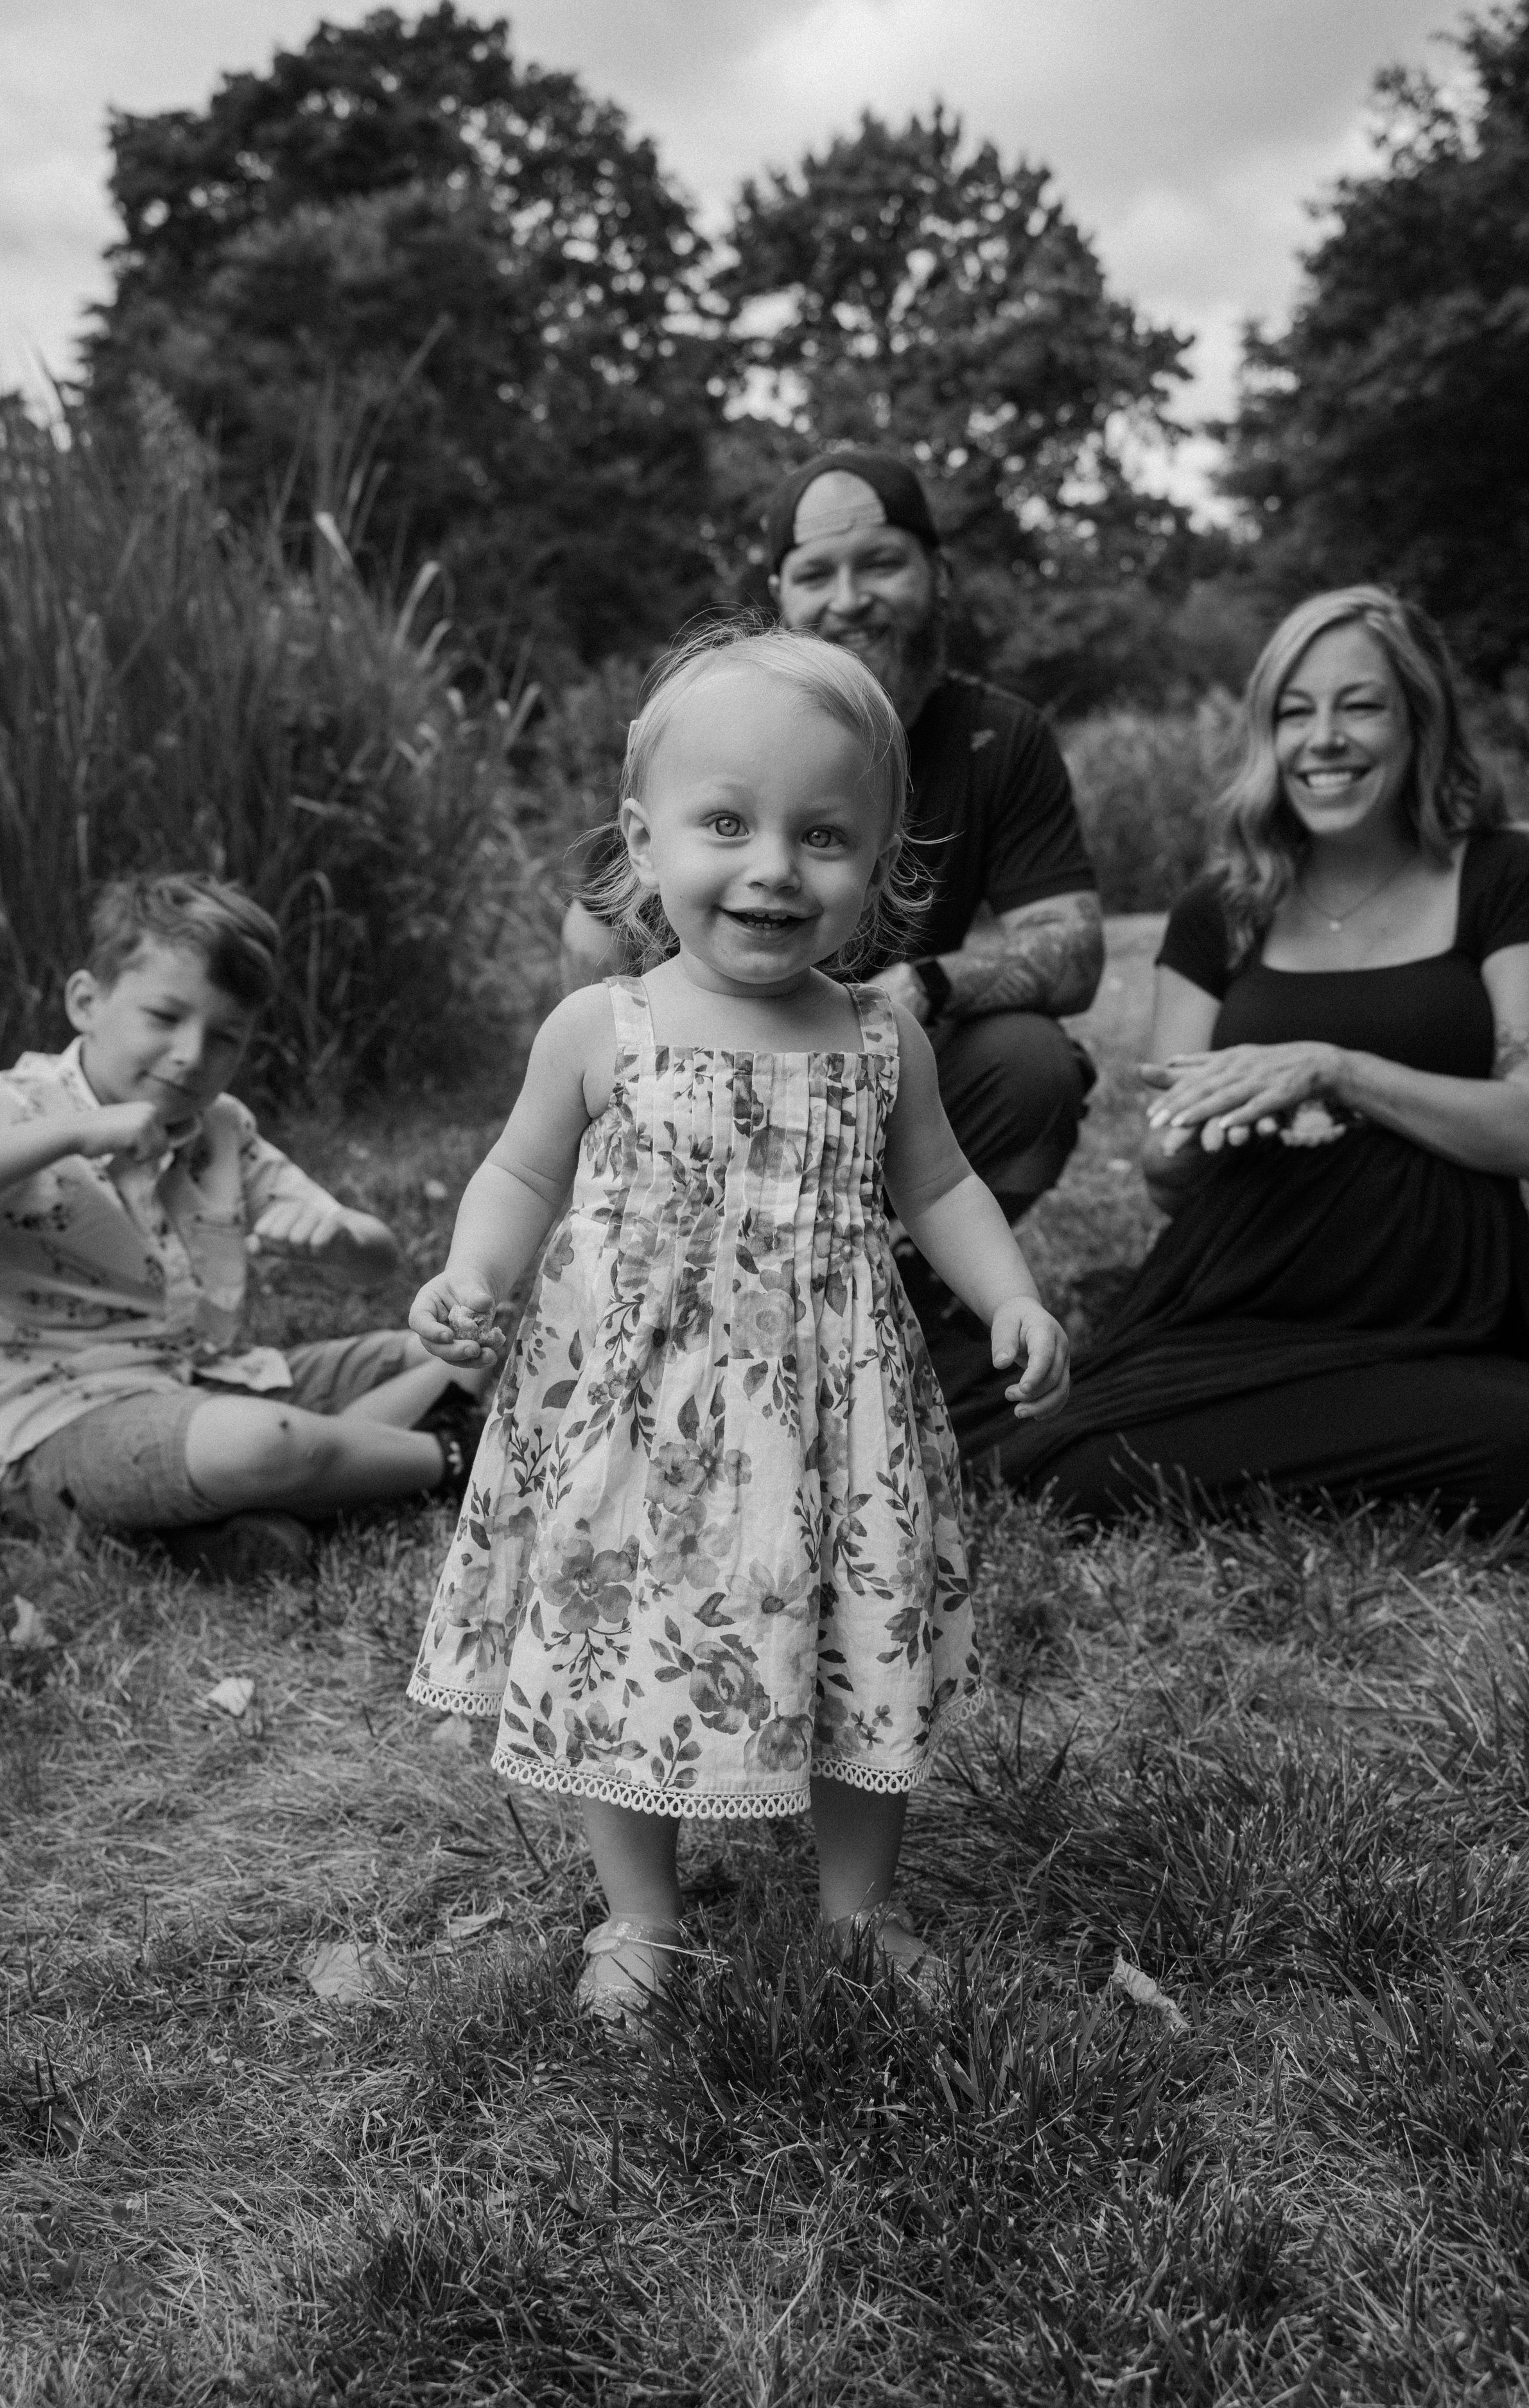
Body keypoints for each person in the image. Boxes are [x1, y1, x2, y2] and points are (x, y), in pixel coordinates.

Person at [406, 627, 1069, 2020]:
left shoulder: (875, 1040)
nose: (772, 865)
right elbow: (519, 1171)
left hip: (836, 1420)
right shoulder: (601, 1026)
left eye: (820, 834)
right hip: (636, 1422)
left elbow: (938, 1185)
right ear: (642, 844)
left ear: (880, 866)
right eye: (726, 823)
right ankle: (639, 1915)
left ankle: (855, 1908)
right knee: (623, 1644)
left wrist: (1007, 1294)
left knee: (853, 1636)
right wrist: (474, 1279)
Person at [559, 449, 1103, 1429]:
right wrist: (636, 1049)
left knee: (1032, 1064)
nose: (849, 597)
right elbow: (590, 931)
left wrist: (924, 986)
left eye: (880, 562)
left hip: (881, 1066)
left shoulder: (999, 738)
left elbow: (1072, 947)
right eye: (816, 572)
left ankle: (917, 1301)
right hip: (692, 1116)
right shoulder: (720, 724)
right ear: (778, 594)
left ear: (939, 572)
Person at [989, 586, 1529, 1528]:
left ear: (1420, 720)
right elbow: (1166, 1174)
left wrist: (1334, 1067)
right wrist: (1199, 1132)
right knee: (1067, 1470)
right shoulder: (1220, 910)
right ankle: (1359, 1442)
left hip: (1451, 1302)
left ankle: (1308, 1441)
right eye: (1295, 711)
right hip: (1249, 1287)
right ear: (1268, 736)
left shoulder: (1500, 877)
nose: (1324, 738)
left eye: (1360, 705)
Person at [0, 873, 480, 1578]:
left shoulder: (220, 1127)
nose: (191, 1055)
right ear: (86, 1002)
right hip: (49, 1429)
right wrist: (71, 1132)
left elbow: (379, 1260)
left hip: (205, 1383)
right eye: (163, 1017)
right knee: (259, 1444)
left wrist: (339, 1238)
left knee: (465, 1348)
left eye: (225, 1037)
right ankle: (454, 1456)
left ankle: (277, 1495)